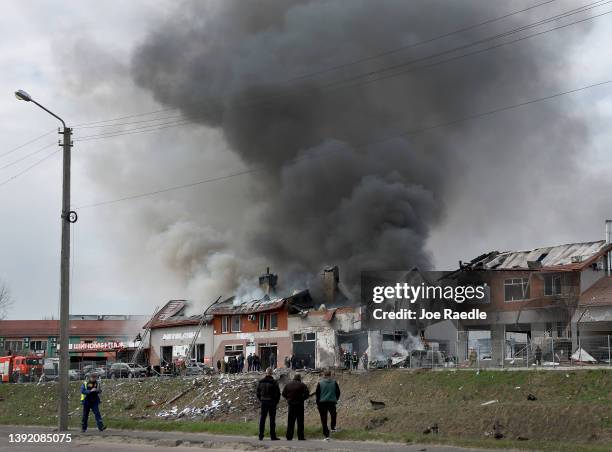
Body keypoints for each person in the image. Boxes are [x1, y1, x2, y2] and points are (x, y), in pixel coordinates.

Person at [282, 373, 310, 440]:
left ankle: (289, 436)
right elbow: (307, 394)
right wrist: (302, 399)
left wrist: (288, 399)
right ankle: (300, 436)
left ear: (293, 378)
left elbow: (283, 394)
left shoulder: (288, 385)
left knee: (290, 421)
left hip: (291, 405)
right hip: (300, 405)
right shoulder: (302, 385)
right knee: (300, 422)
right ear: (299, 378)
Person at [256, 367, 280, 441]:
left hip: (264, 402)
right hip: (272, 402)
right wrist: (276, 402)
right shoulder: (274, 382)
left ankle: (261, 435)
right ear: (272, 373)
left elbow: (258, 393)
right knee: (272, 419)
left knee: (262, 419)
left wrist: (261, 399)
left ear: (266, 373)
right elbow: (278, 394)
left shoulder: (261, 381)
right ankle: (273, 436)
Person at [316, 369, 341, 440]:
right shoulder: (334, 382)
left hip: (322, 403)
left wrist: (318, 403)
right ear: (330, 375)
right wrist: (335, 399)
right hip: (331, 402)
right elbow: (338, 392)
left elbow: (317, 394)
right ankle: (333, 427)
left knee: (324, 418)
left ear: (324, 375)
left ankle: (326, 435)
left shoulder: (320, 383)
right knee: (333, 414)